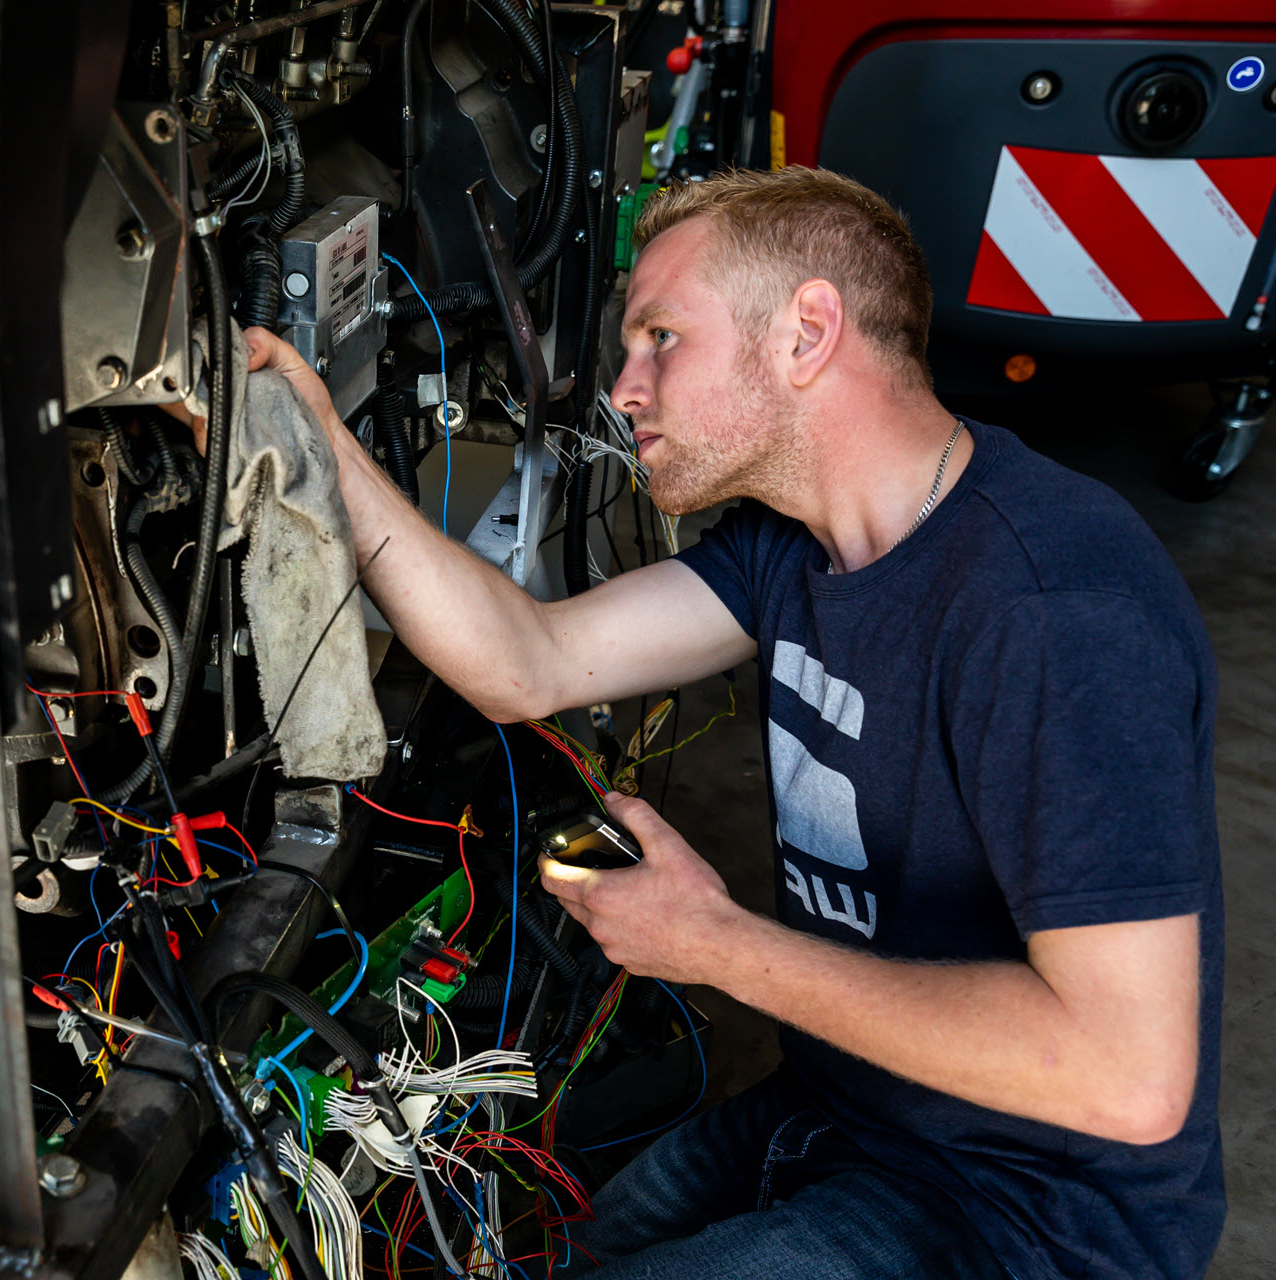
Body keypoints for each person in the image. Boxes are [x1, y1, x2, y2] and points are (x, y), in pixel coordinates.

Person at [236, 167, 1225, 1279]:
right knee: (527, 1242)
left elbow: (1127, 1077)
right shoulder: (792, 545)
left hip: (1026, 1214)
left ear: (807, 331)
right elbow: (530, 660)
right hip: (841, 1116)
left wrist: (714, 943)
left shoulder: (1053, 610)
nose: (623, 389)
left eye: (661, 336)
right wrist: (316, 434)